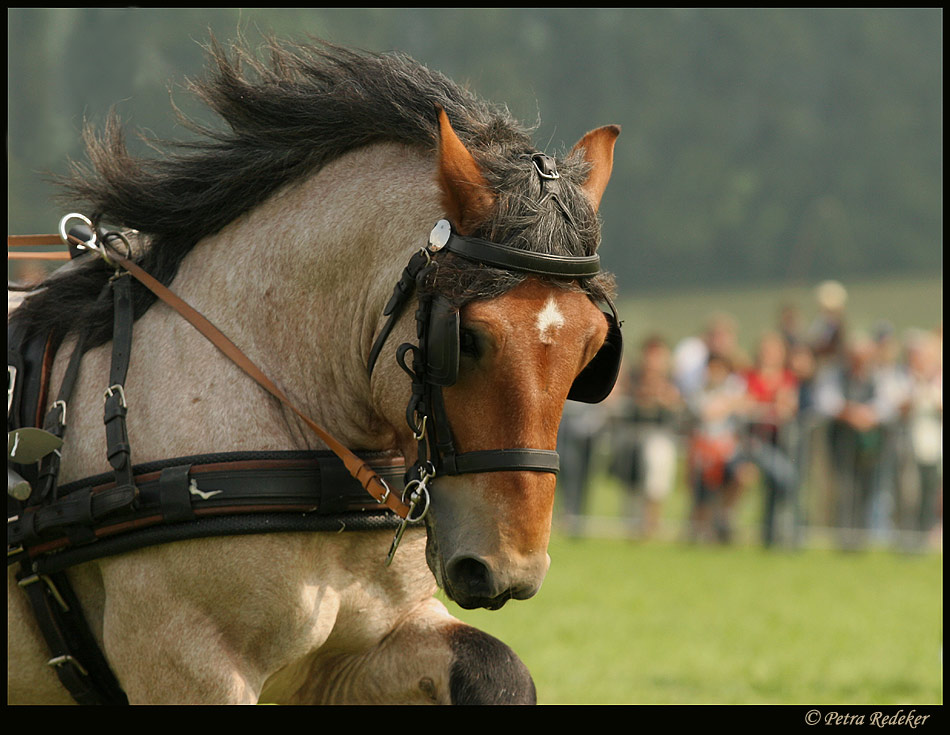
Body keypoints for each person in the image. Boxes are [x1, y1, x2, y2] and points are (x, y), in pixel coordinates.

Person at [813, 334, 890, 549]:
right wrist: (851, 413)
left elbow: (887, 403)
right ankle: (845, 538)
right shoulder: (834, 375)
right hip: (841, 442)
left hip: (871, 446)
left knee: (867, 489)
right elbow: (826, 401)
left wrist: (868, 415)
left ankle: (862, 538)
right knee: (845, 489)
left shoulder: (878, 376)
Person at [608, 334, 682, 539]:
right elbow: (614, 398)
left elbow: (680, 407)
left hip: (660, 437)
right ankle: (633, 526)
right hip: (630, 438)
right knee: (631, 487)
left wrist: (664, 398)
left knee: (656, 468)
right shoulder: (632, 376)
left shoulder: (672, 380)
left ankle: (651, 523)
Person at [740, 331, 800, 547]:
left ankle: (773, 534)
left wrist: (763, 407)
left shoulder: (787, 378)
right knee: (784, 477)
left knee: (779, 484)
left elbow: (786, 409)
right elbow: (743, 406)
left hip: (780, 442)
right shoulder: (748, 376)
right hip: (752, 441)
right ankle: (776, 533)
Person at [684, 352, 752, 543]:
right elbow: (707, 413)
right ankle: (701, 531)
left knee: (744, 474)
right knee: (703, 496)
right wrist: (729, 405)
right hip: (703, 451)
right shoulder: (698, 391)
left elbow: (748, 404)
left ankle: (725, 516)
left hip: (727, 451)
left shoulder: (733, 389)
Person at [901, 328, 942, 547]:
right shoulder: (904, 376)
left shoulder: (936, 380)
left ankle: (925, 534)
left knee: (930, 491)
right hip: (907, 444)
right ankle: (909, 536)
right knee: (909, 492)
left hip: (933, 445)